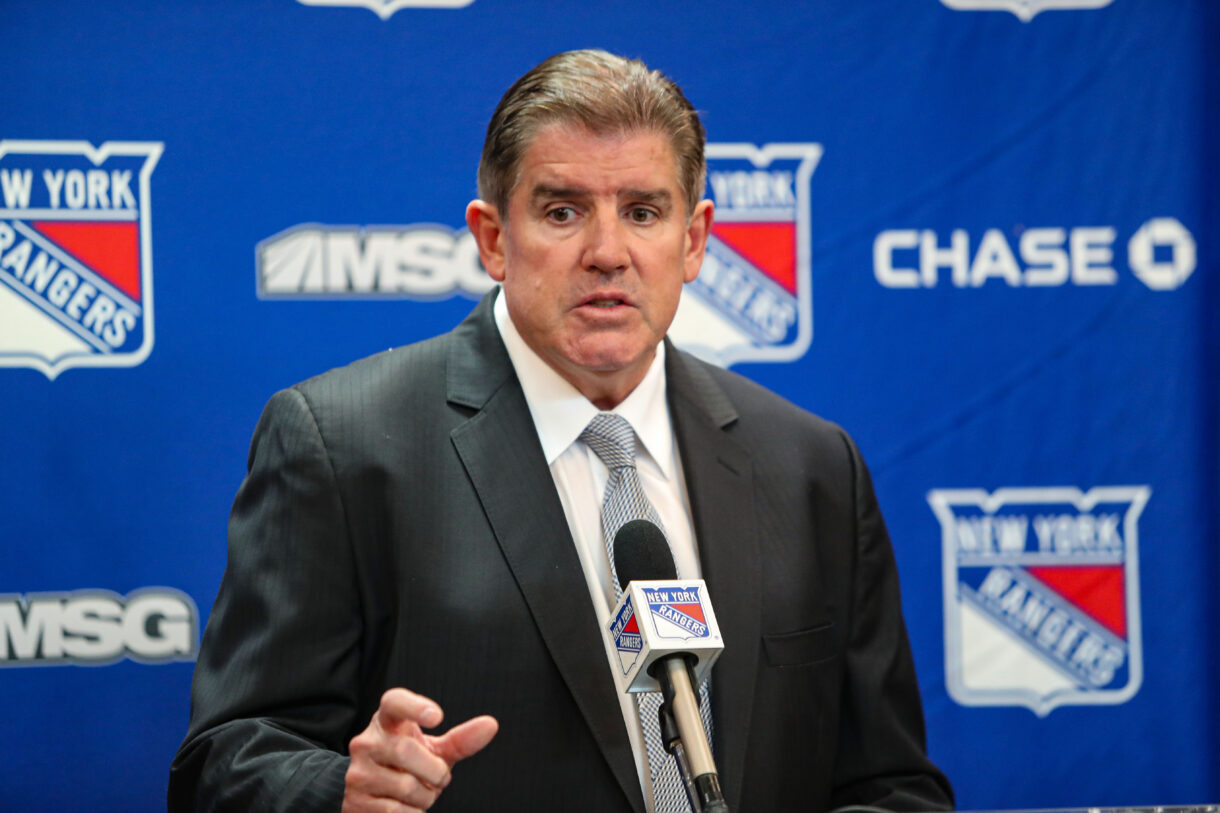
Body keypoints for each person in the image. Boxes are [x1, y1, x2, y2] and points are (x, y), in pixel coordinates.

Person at [169, 50, 954, 813]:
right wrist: (338, 789)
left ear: (694, 240)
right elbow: (224, 763)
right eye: (562, 211)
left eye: (643, 212)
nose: (607, 252)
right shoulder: (343, 446)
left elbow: (890, 785)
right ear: (493, 239)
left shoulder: (811, 465)